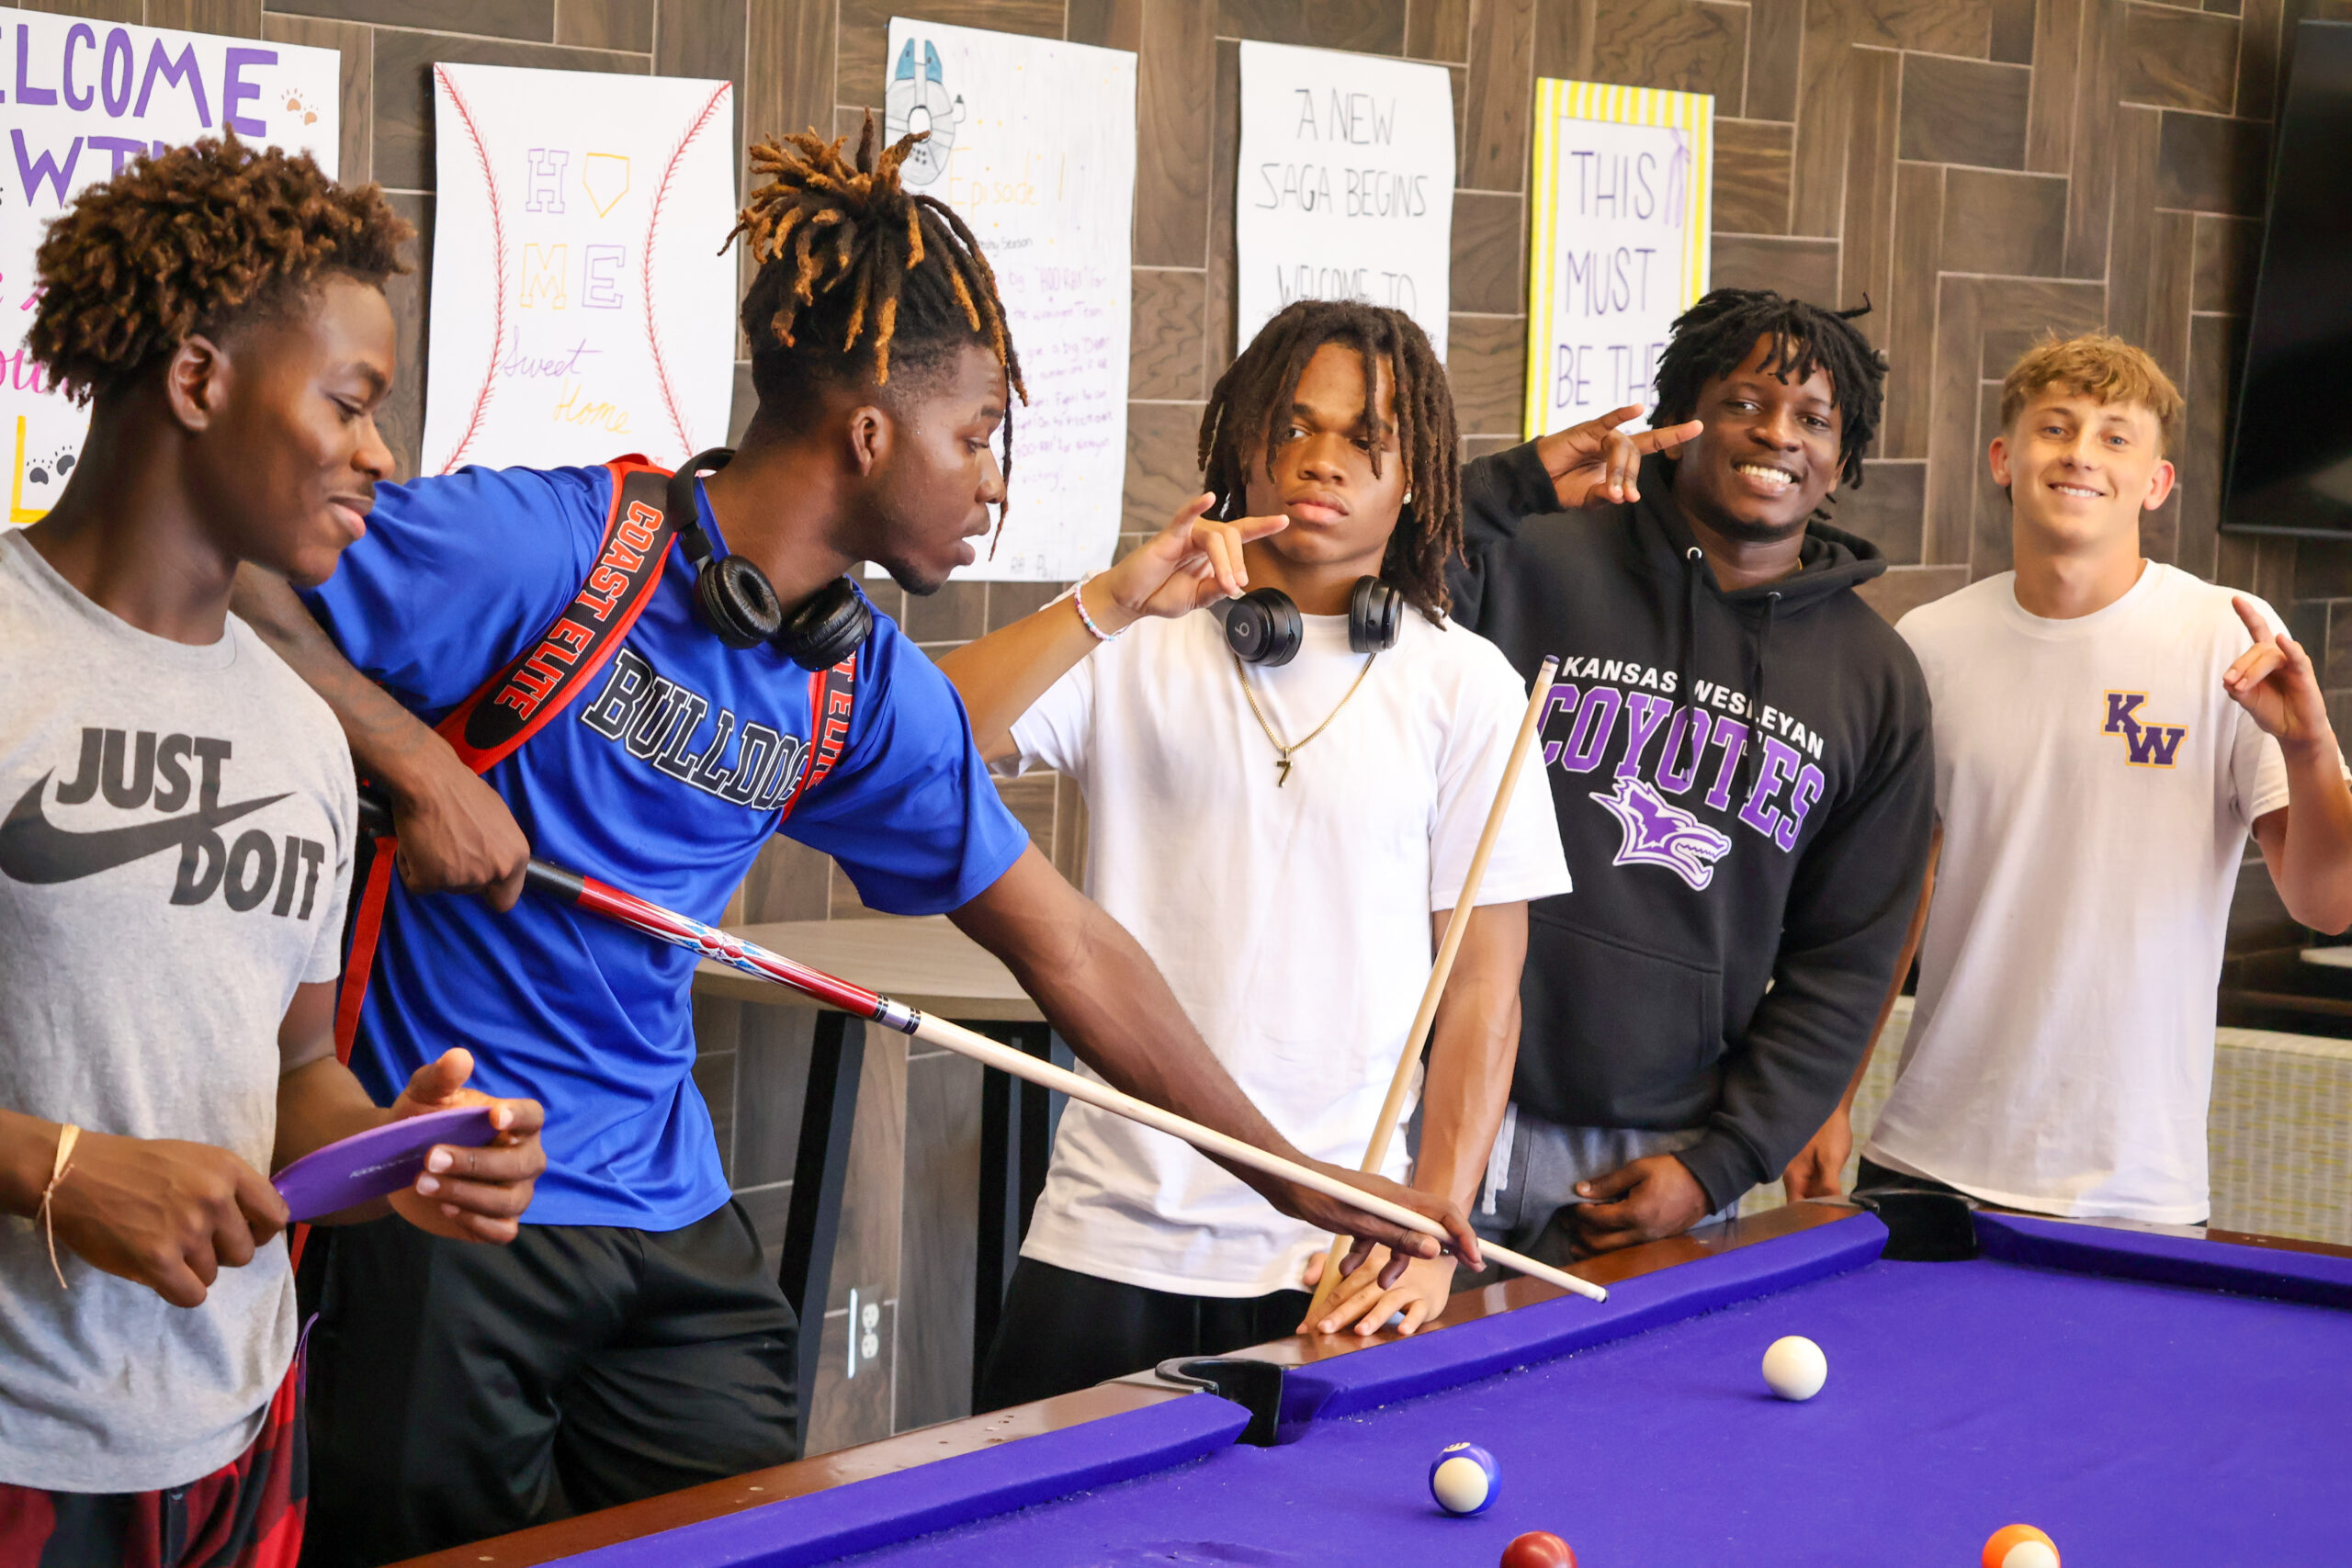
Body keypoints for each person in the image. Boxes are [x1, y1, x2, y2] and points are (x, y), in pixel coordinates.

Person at [228, 122, 1476, 1565]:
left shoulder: (854, 682)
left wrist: (1293, 1173)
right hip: (456, 1200)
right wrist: (413, 760)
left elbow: (1067, 940)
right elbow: (237, 564)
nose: (992, 480)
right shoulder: (560, 548)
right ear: (871, 435)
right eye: (977, 435)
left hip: (668, 1210)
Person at [0, 140, 546, 1568]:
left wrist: (400, 1153)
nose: (382, 453)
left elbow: (295, 1069)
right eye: (350, 404)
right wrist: (56, 1167)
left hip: (240, 1437)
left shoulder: (302, 730)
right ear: (198, 381)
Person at [937, 301, 1572, 1406]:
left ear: (1417, 477)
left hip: (1336, 1257)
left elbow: (1483, 987)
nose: (1322, 459)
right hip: (1106, 1233)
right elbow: (912, 737)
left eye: (1367, 439)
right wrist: (1107, 603)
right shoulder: (1132, 639)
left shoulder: (1465, 683)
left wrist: (1429, 1231)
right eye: (1293, 425)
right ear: (1242, 443)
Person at [1446, 288, 1936, 1261]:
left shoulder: (1874, 680)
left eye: (1813, 419)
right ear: (1683, 418)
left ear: (1843, 457)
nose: (1778, 434)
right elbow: (1364, 577)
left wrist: (1722, 1165)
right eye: (1745, 402)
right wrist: (1512, 483)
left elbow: (1845, 961)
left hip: (1660, 1157)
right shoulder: (1530, 560)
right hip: (1439, 1104)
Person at [1837, 333, 2352, 1223]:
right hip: (1923, 1160)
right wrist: (1832, 1099)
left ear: (2156, 482)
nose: (2080, 453)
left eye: (2116, 436)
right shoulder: (1927, 644)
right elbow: (1890, 902)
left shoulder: (2229, 637)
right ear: (2004, 459)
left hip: (2135, 1187)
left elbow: (2329, 905)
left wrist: (2308, 748)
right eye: (2055, 428)